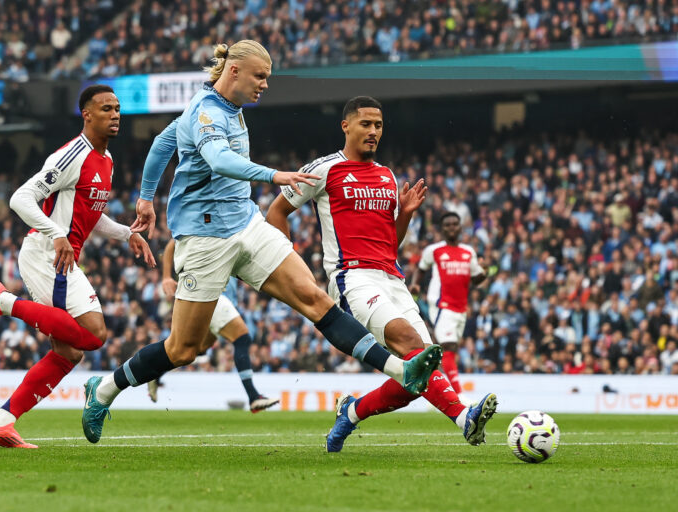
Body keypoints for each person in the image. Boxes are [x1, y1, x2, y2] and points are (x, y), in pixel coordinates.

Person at [81, 41, 441, 444]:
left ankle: (400, 369)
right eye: (260, 76)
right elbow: (218, 159)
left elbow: (165, 143)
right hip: (204, 238)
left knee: (315, 299)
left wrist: (146, 197)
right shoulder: (206, 112)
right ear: (234, 71)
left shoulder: (224, 108)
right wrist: (274, 175)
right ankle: (106, 389)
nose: (266, 84)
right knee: (183, 349)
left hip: (248, 224)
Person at [266, 96, 497, 452]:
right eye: (366, 124)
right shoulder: (325, 169)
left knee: (420, 368)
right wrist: (290, 267)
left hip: (392, 277)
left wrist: (403, 215)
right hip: (352, 277)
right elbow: (276, 212)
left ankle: (352, 412)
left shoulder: (388, 176)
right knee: (409, 345)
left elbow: (391, 244)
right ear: (346, 126)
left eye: (378, 126)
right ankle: (464, 418)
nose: (373, 132)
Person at [0, 84, 156, 448]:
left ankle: (0, 422)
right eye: (105, 109)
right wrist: (56, 234)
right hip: (45, 254)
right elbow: (21, 198)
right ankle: (1, 301)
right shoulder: (72, 155)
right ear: (86, 114)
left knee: (69, 351)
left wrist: (126, 234)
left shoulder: (106, 161)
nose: (115, 115)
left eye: (117, 109)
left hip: (61, 255)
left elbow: (91, 216)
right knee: (94, 334)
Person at [148, 238, 278, 413]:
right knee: (242, 338)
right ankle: (254, 397)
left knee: (191, 351)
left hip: (222, 297)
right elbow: (172, 243)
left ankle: (155, 372)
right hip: (211, 293)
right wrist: (165, 277)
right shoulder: (207, 223)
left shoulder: (234, 226)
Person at [411, 211, 487, 397]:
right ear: (442, 229)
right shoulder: (434, 250)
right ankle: (459, 396)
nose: (452, 227)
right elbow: (421, 270)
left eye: (455, 224)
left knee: (448, 351)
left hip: (461, 308)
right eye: (448, 225)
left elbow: (476, 278)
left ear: (460, 227)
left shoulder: (469, 252)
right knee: (449, 347)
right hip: (441, 305)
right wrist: (415, 284)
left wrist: (485, 272)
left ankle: (434, 390)